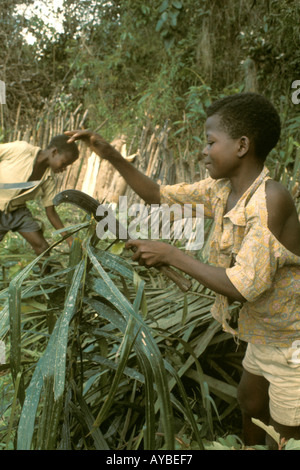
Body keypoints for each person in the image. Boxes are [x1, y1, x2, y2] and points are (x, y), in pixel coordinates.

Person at [65, 92, 300, 448]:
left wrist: (171, 255)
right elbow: (157, 196)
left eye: (209, 142)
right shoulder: (222, 191)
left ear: (241, 146)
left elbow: (242, 287)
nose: (202, 151)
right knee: (250, 400)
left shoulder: (269, 200)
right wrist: (109, 154)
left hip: (290, 342)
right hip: (262, 333)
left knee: (284, 436)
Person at [0, 134, 79, 257]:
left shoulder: (48, 180)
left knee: (43, 248)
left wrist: (69, 240)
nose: (64, 169)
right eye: (64, 163)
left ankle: (47, 274)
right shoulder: (21, 150)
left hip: (16, 212)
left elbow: (51, 211)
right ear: (54, 152)